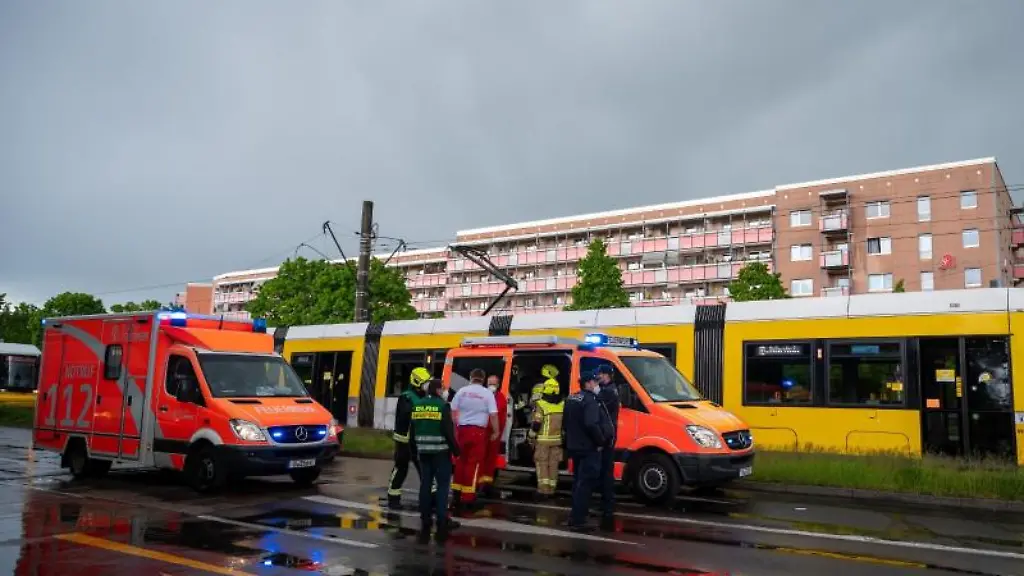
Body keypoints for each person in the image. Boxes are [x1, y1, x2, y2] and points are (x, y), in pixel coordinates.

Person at [412, 378, 461, 543]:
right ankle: (442, 519)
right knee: (442, 487)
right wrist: (456, 451)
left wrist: (415, 450)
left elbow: (413, 430)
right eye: (443, 388)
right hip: (440, 452)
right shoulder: (442, 406)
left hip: (423, 452)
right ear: (438, 390)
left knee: (425, 485)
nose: (445, 391)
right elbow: (448, 431)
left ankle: (425, 517)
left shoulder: (418, 404)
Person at [562, 370, 613, 531]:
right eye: (595, 382)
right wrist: (600, 441)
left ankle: (575, 515)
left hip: (574, 446)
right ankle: (579, 519)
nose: (597, 385)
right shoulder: (590, 400)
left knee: (578, 482)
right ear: (588, 383)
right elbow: (591, 424)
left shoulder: (571, 398)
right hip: (588, 448)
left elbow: (565, 423)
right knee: (585, 484)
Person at [449, 368, 499, 513]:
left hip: (462, 430)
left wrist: (455, 428)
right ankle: (468, 498)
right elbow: (494, 415)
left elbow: (452, 412)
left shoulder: (461, 391)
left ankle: (456, 495)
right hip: (478, 432)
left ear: (471, 377)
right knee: (474, 464)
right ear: (483, 379)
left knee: (460, 462)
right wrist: (496, 431)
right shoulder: (487, 393)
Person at [388, 367, 432, 509]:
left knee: (424, 470)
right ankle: (393, 498)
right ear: (417, 382)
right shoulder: (406, 397)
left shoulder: (422, 397)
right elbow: (407, 414)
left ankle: (429, 499)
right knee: (401, 469)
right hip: (404, 441)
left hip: (417, 440)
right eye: (425, 383)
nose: (427, 386)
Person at [528, 379, 564, 498]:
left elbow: (537, 422)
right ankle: (552, 489)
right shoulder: (562, 404)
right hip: (557, 440)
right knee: (554, 464)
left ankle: (543, 491)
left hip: (543, 440)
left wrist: (531, 436)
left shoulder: (541, 404)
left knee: (542, 464)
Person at [595, 364, 620, 528]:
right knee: (603, 472)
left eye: (601, 375)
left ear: (608, 376)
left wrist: (595, 388)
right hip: (607, 435)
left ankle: (608, 506)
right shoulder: (610, 389)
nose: (599, 377)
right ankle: (605, 503)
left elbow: (600, 401)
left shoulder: (609, 391)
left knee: (606, 473)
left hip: (607, 437)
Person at [478, 374, 508, 496]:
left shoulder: (501, 397)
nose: (492, 386)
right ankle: (478, 485)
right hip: (483, 432)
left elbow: (502, 417)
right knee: (480, 459)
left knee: (490, 461)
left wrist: (498, 433)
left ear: (498, 385)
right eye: (490, 383)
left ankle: (487, 485)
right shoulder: (481, 396)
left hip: (494, 434)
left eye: (494, 384)